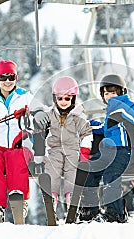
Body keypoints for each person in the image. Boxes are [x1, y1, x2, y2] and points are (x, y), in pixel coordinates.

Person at [0, 60, 49, 223]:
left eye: (11, 77)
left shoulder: (24, 96)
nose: (7, 81)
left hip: (19, 143)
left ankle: (19, 199)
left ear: (16, 78)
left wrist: (40, 113)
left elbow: (41, 109)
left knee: (17, 157)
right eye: (3, 77)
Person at [79, 74, 134, 223]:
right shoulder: (112, 111)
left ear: (121, 92)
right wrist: (87, 125)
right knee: (89, 170)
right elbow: (106, 129)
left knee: (111, 173)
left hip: (125, 150)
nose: (109, 96)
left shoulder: (125, 106)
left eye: (113, 92)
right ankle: (90, 210)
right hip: (110, 152)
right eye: (106, 93)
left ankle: (116, 213)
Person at [44, 76, 93, 214]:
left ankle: (70, 196)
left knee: (72, 169)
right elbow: (38, 127)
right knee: (53, 168)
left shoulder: (78, 115)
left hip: (72, 149)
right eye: (60, 98)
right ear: (55, 99)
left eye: (67, 98)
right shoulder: (50, 114)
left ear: (73, 99)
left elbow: (87, 133)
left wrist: (84, 151)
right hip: (55, 148)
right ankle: (52, 196)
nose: (63, 102)